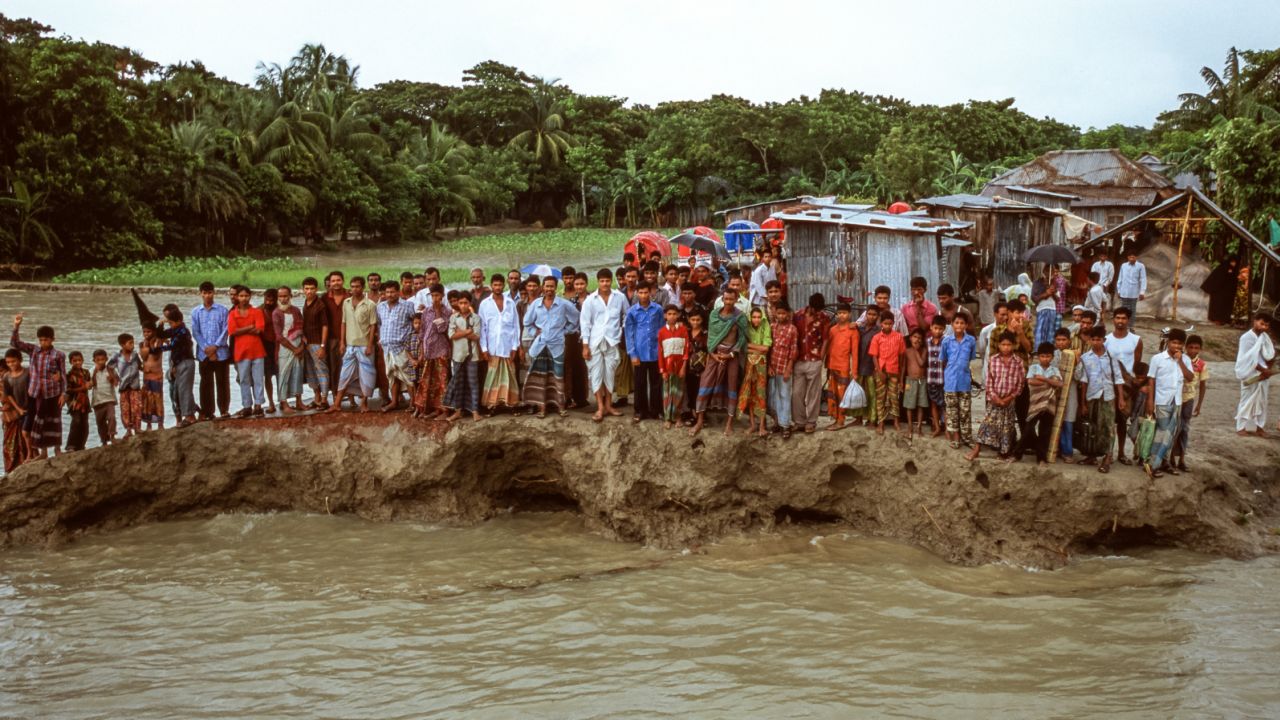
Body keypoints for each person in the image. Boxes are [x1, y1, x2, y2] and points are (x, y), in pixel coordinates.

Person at [692, 287, 748, 437]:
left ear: (736, 300)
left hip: (731, 357)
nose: (728, 302)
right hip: (714, 356)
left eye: (731, 299)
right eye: (726, 299)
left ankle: (729, 423)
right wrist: (713, 354)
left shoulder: (740, 317)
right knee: (705, 384)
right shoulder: (714, 315)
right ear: (722, 299)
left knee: (731, 387)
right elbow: (711, 337)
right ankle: (699, 421)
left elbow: (742, 339)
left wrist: (730, 354)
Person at [1143, 329, 1195, 478]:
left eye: (1179, 343)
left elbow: (1190, 377)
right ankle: (1152, 464)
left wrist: (1180, 361)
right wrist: (1150, 401)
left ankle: (1163, 462)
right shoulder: (1157, 359)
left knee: (1170, 434)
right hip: (1161, 401)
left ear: (1183, 345)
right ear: (1168, 342)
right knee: (1162, 433)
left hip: (1176, 401)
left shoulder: (1185, 360)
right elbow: (1151, 380)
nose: (1176, 346)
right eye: (1173, 342)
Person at [523, 276, 578, 418]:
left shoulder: (563, 304)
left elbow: (576, 319)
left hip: (557, 345)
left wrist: (564, 331)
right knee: (541, 377)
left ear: (555, 287)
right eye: (546, 286)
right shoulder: (536, 304)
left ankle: (561, 406)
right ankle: (542, 408)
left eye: (552, 286)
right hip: (540, 345)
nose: (549, 289)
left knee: (558, 376)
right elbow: (527, 322)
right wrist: (535, 332)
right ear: (542, 287)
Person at [966, 332, 1025, 462]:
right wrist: (995, 397)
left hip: (1009, 401)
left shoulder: (1018, 362)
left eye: (1009, 345)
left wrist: (1008, 398)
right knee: (987, 423)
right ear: (999, 345)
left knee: (1006, 426)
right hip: (994, 400)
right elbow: (989, 381)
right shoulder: (993, 360)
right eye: (1003, 344)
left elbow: (1020, 385)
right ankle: (977, 449)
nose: (1006, 347)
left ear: (1014, 346)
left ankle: (1003, 452)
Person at [1078, 326, 1126, 472]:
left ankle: (1107, 457)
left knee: (1108, 427)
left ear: (1104, 340)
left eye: (1099, 339)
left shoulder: (1112, 358)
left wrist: (1121, 399)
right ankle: (1092, 455)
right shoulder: (1085, 358)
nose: (1096, 342)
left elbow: (1118, 379)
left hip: (1108, 396)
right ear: (1090, 340)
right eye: (1093, 339)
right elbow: (1084, 381)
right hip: (1092, 396)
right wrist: (1083, 403)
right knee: (1093, 427)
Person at [331, 276, 378, 413]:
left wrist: (370, 345)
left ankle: (364, 403)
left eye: (357, 286)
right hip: (350, 345)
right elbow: (343, 323)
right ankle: (337, 403)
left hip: (364, 345)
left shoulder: (370, 305)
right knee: (344, 374)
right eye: (352, 286)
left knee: (367, 375)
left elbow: (373, 326)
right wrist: (342, 342)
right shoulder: (346, 302)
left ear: (363, 288)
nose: (354, 289)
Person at [1105, 306, 1143, 462]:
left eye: (1124, 318)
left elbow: (1137, 365)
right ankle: (1108, 453)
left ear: (1128, 320)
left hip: (1128, 386)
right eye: (1118, 318)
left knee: (1123, 420)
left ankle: (1121, 452)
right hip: (1111, 384)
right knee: (1109, 420)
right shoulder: (1107, 340)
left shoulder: (1136, 340)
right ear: (1113, 319)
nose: (1120, 321)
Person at [191, 280, 231, 420]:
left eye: (210, 292)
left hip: (221, 353)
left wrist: (215, 347)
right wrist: (206, 349)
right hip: (204, 354)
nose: (207, 295)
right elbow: (195, 332)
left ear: (214, 293)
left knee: (223, 382)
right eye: (204, 293)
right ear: (200, 294)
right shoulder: (196, 312)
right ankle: (208, 412)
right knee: (205, 383)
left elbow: (226, 330)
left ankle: (224, 410)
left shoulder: (223, 310)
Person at [375, 280, 417, 414]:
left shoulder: (408, 305)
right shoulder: (380, 307)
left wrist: (411, 342)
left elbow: (415, 322)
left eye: (392, 291)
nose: (390, 294)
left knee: (408, 376)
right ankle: (394, 402)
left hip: (402, 347)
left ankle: (414, 403)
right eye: (387, 292)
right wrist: (380, 340)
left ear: (398, 292)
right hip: (387, 348)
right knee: (392, 376)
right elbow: (380, 324)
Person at [625, 281, 664, 422]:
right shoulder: (632, 312)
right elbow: (629, 334)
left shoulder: (658, 309)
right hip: (639, 353)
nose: (643, 295)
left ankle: (656, 410)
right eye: (640, 292)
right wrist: (633, 354)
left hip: (655, 352)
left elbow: (662, 329)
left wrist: (662, 350)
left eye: (646, 292)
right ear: (636, 293)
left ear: (651, 293)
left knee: (656, 383)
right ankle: (640, 411)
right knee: (640, 383)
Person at [227, 286, 267, 417]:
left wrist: (242, 330)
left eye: (246, 296)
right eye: (241, 296)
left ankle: (258, 405)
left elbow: (259, 329)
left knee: (258, 379)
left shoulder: (257, 312)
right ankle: (246, 406)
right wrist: (250, 326)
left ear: (250, 296)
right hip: (241, 351)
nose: (244, 298)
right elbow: (232, 331)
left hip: (257, 351)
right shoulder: (233, 313)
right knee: (244, 379)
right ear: (237, 297)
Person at [792, 293, 829, 434]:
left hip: (815, 359)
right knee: (796, 393)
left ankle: (811, 422)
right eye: (816, 309)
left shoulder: (824, 318)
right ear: (810, 306)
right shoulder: (797, 315)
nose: (819, 312)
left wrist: (821, 356)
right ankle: (799, 421)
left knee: (814, 393)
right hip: (799, 359)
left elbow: (826, 339)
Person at [443, 295, 483, 423]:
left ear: (470, 303)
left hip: (472, 356)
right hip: (458, 356)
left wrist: (461, 332)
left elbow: (477, 336)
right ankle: (458, 411)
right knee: (458, 383)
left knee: (473, 383)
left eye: (465, 302)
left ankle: (475, 411)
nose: (463, 305)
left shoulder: (476, 317)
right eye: (460, 303)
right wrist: (467, 332)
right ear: (457, 304)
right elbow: (451, 335)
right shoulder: (453, 317)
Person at [1171, 334, 1208, 472]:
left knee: (1184, 428)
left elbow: (1203, 385)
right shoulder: (1180, 359)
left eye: (1196, 348)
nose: (1193, 350)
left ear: (1200, 349)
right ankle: (1171, 458)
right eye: (1190, 347)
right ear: (1186, 347)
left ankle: (1181, 458)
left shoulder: (1201, 365)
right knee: (1174, 428)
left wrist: (1199, 404)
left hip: (1189, 398)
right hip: (1175, 398)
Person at [1234, 312, 1274, 436]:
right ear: (1255, 321)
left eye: (1266, 325)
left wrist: (1268, 368)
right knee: (1246, 399)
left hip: (1264, 372)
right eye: (1261, 323)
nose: (1263, 327)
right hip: (1249, 372)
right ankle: (1241, 427)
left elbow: (1269, 354)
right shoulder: (1246, 337)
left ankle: (1259, 427)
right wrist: (1263, 370)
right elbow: (1248, 359)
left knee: (1262, 400)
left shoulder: (1264, 337)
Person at [938, 314, 976, 449]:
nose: (959, 326)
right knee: (952, 412)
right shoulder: (946, 341)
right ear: (952, 325)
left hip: (964, 381)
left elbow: (971, 357)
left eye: (962, 323)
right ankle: (956, 438)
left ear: (966, 325)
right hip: (950, 382)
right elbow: (944, 359)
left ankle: (967, 438)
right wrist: (949, 373)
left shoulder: (971, 341)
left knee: (965, 411)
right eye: (957, 323)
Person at [1022, 342, 1063, 466]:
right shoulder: (1034, 367)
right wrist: (1049, 383)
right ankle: (1017, 453)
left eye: (1048, 356)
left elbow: (1060, 384)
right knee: (1028, 429)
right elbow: (1030, 381)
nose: (1045, 359)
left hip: (1049, 404)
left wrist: (1043, 379)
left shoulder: (1055, 369)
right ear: (1038, 357)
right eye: (1043, 356)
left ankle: (1041, 458)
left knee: (1045, 432)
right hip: (1035, 403)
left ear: (1052, 357)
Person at [415, 283, 452, 419]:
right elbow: (422, 332)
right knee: (428, 382)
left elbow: (442, 329)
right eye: (433, 296)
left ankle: (444, 411)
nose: (435, 298)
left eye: (437, 295)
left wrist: (437, 312)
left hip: (441, 351)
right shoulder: (425, 312)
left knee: (442, 382)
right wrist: (422, 352)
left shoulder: (447, 312)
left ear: (442, 296)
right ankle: (432, 409)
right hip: (428, 351)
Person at [158, 304, 198, 427]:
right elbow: (161, 335)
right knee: (180, 390)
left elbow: (172, 346)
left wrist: (155, 349)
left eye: (170, 322)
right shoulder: (175, 330)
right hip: (180, 363)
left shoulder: (182, 332)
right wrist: (160, 325)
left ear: (179, 321)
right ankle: (190, 413)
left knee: (184, 389)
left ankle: (189, 416)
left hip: (185, 361)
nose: (170, 324)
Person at [868, 311, 906, 436]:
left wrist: (900, 377)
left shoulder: (898, 337)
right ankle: (881, 422)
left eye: (890, 324)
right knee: (880, 397)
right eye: (885, 323)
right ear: (881, 323)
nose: (888, 326)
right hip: (881, 372)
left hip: (894, 371)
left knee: (894, 397)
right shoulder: (876, 338)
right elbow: (874, 357)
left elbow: (901, 357)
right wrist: (879, 372)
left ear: (893, 324)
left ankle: (896, 421)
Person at [738, 306, 772, 438]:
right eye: (754, 317)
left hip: (761, 365)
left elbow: (766, 348)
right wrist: (758, 348)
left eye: (758, 317)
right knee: (750, 393)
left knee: (761, 394)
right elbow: (744, 347)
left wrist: (751, 347)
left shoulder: (765, 326)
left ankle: (762, 426)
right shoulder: (747, 328)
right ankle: (752, 425)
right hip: (749, 364)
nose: (756, 320)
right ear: (750, 318)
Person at [1047, 328, 1080, 463]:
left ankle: (1067, 451)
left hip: (1070, 391)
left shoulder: (1074, 355)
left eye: (1063, 340)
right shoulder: (1052, 355)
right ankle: (1053, 448)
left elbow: (1079, 376)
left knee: (1068, 421)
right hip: (1054, 391)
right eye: (1058, 340)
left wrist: (1077, 363)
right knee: (1052, 420)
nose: (1061, 343)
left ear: (1069, 341)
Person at [824, 303, 858, 432]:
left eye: (844, 313)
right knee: (832, 394)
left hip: (844, 368)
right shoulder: (833, 330)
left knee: (842, 395)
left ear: (849, 314)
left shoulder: (853, 331)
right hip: (832, 366)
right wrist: (827, 366)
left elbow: (854, 352)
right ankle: (835, 418)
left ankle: (841, 420)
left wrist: (854, 371)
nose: (841, 315)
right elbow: (829, 349)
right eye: (839, 313)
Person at [273, 286, 306, 414]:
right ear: (278, 298)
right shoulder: (276, 313)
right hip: (285, 347)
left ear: (290, 296)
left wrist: (301, 347)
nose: (283, 299)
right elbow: (279, 336)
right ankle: (284, 403)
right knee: (284, 375)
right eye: (280, 296)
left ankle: (299, 401)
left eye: (285, 296)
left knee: (298, 373)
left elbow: (302, 329)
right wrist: (294, 349)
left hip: (298, 345)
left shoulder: (296, 310)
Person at [767, 303, 797, 439]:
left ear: (788, 314)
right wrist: (769, 367)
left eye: (783, 313)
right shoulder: (772, 327)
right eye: (778, 313)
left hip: (784, 368)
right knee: (773, 397)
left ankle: (785, 425)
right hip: (773, 368)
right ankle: (777, 422)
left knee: (784, 395)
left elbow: (793, 350)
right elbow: (769, 348)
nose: (781, 316)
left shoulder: (792, 329)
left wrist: (788, 369)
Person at [300, 277, 330, 410]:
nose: (309, 291)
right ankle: (316, 397)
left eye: (312, 289)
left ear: (316, 289)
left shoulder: (320, 305)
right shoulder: (306, 303)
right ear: (303, 290)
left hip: (318, 343)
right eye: (307, 289)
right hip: (307, 343)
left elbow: (325, 326)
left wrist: (323, 346)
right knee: (310, 372)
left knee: (322, 371)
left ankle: (324, 399)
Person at [657, 304, 690, 429]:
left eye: (674, 314)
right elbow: (660, 353)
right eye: (669, 314)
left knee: (679, 392)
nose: (672, 316)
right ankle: (667, 418)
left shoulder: (683, 331)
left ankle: (678, 417)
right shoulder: (662, 332)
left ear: (678, 315)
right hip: (667, 368)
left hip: (679, 367)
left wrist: (683, 367)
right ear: (665, 316)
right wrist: (662, 370)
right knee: (667, 392)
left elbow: (686, 350)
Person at [322, 272, 348, 408]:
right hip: (331, 338)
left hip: (349, 337)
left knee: (348, 368)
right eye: (333, 281)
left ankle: (351, 397)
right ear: (330, 283)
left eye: (338, 280)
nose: (336, 283)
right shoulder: (325, 298)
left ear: (343, 281)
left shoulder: (349, 296)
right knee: (333, 368)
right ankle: (334, 396)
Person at [2, 348, 30, 471]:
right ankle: (12, 468)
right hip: (10, 418)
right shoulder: (5, 380)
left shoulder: (19, 376)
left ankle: (26, 462)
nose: (0, 374)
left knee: (25, 438)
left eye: (2, 371)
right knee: (9, 444)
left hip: (21, 414)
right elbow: (8, 398)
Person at [855, 305, 881, 427]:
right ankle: (858, 418)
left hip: (871, 367)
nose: (871, 316)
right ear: (866, 315)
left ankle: (872, 419)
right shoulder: (859, 329)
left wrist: (877, 368)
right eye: (869, 314)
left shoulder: (878, 331)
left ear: (878, 317)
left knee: (872, 394)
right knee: (858, 393)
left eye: (874, 314)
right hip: (859, 365)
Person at [902, 329, 929, 439]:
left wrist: (916, 351)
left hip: (921, 381)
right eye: (915, 337)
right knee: (909, 405)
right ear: (910, 338)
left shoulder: (924, 351)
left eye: (919, 338)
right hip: (910, 381)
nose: (917, 339)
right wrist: (900, 381)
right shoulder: (907, 351)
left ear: (922, 341)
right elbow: (903, 367)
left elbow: (921, 363)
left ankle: (918, 427)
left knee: (920, 405)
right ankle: (909, 426)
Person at [89, 348, 119, 446]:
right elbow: (90, 386)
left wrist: (112, 379)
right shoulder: (91, 371)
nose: (101, 362)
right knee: (100, 422)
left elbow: (116, 383)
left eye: (103, 359)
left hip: (109, 399)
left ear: (106, 359)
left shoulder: (111, 369)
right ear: (94, 360)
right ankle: (104, 441)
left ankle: (112, 436)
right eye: (98, 360)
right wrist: (94, 374)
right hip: (97, 401)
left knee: (111, 417)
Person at [1201, 257, 1240, 325]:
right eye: (1232, 262)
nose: (1233, 264)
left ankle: (1223, 320)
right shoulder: (1223, 268)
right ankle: (1216, 320)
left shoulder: (1233, 270)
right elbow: (1216, 279)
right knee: (1217, 307)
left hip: (1227, 293)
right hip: (1218, 292)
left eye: (1234, 262)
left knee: (1224, 307)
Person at [139, 325, 165, 430]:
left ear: (154, 332)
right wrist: (146, 345)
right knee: (147, 400)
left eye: (148, 332)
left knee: (158, 399)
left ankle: (160, 424)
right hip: (147, 376)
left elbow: (155, 356)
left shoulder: (159, 342)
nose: (146, 334)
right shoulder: (142, 344)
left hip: (157, 376)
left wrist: (151, 344)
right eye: (144, 332)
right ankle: (148, 424)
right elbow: (143, 357)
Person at [64, 351, 90, 452]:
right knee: (76, 421)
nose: (77, 362)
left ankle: (81, 445)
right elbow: (68, 390)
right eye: (75, 361)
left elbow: (89, 385)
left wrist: (90, 385)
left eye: (79, 360)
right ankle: (70, 446)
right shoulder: (69, 375)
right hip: (74, 401)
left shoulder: (86, 373)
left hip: (84, 401)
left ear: (82, 360)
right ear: (71, 362)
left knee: (85, 423)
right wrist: (83, 388)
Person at [259, 288, 280, 413]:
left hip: (279, 344)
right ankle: (271, 402)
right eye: (267, 300)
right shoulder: (259, 310)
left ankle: (282, 401)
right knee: (267, 376)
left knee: (280, 375)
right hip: (264, 346)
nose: (269, 303)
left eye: (272, 300)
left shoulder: (280, 310)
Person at [925, 316, 946, 436]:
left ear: (944, 329)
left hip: (942, 378)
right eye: (935, 328)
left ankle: (946, 428)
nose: (937, 331)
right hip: (931, 378)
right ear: (931, 327)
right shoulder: (927, 342)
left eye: (940, 329)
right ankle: (937, 426)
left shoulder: (946, 341)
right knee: (933, 403)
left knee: (944, 405)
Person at [1031, 266, 1060, 348]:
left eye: (1052, 271)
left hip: (1052, 309)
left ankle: (1048, 349)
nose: (1050, 273)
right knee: (1040, 330)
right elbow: (1034, 298)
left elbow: (1057, 300)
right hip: (1042, 309)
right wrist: (1046, 294)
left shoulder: (1055, 283)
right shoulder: (1037, 282)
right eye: (1047, 271)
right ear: (1044, 271)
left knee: (1050, 330)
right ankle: (1038, 349)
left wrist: (1052, 292)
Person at [1115, 249, 1147, 317]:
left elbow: (1143, 279)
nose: (1132, 259)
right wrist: (1119, 290)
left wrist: (1142, 292)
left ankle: (1130, 326)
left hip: (1134, 293)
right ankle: (1125, 326)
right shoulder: (1124, 266)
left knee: (1132, 310)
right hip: (1124, 292)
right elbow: (1120, 278)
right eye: (1130, 257)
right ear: (1128, 257)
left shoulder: (1140, 266)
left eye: (1133, 257)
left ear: (1136, 257)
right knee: (1124, 310)